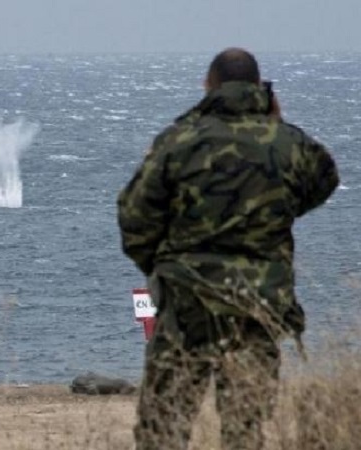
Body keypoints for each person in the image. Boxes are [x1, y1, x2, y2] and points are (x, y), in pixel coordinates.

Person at [117, 48, 339, 450]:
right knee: (244, 431)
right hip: (257, 306)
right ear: (260, 88)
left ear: (208, 86)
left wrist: (163, 267)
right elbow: (323, 180)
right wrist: (276, 128)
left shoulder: (178, 140)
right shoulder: (287, 144)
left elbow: (134, 217)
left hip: (186, 305)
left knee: (163, 429)